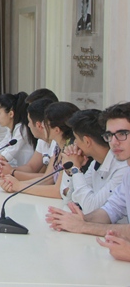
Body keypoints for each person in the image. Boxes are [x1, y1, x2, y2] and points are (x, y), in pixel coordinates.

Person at [46, 103, 130, 262]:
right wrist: (78, 220)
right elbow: (110, 210)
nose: (114, 142)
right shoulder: (128, 173)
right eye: (109, 135)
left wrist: (84, 226)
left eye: (122, 134)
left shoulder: (123, 169)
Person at [0, 101, 79, 198]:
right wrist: (13, 183)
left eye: (45, 123)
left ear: (57, 130)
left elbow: (58, 191)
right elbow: (48, 179)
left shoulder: (71, 150)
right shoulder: (58, 146)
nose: (42, 125)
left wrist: (19, 186)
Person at [60, 109, 128, 213]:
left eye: (76, 139)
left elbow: (91, 208)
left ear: (87, 141)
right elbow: (70, 200)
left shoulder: (123, 167)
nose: (75, 143)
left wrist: (75, 169)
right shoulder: (95, 163)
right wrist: (70, 172)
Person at [0, 94, 59, 181]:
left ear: (39, 125)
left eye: (29, 122)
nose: (28, 125)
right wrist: (5, 170)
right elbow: (31, 167)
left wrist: (12, 173)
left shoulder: (56, 142)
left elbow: (49, 178)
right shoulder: (42, 140)